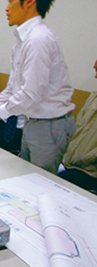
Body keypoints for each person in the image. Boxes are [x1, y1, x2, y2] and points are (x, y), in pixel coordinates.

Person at [0, 0, 75, 174]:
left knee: (43, 183)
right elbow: (14, 88)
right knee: (27, 177)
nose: (6, 8)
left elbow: (30, 94)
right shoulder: (22, 41)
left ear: (29, 1)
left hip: (49, 126)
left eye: (11, 1)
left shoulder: (39, 39)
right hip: (31, 122)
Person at [58, 60, 97, 193]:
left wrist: (82, 159)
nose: (95, 76)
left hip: (90, 171)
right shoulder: (93, 97)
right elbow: (79, 131)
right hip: (72, 164)